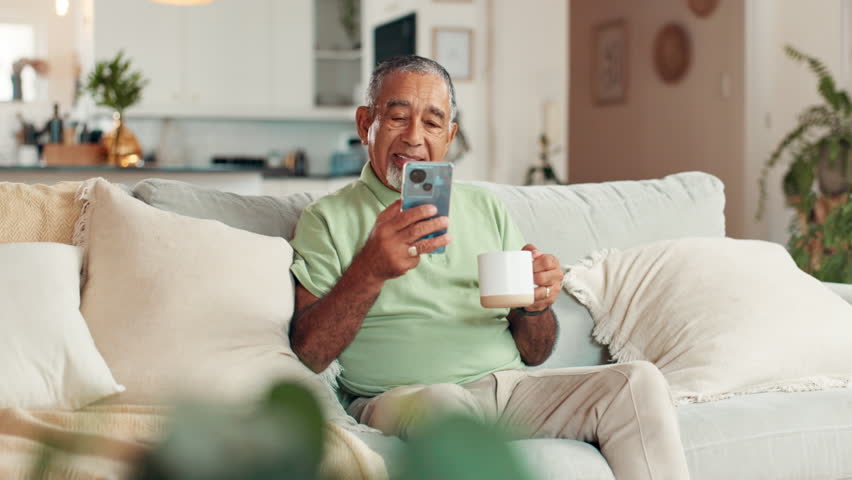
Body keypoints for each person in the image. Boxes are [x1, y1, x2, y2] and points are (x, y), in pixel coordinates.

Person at [289, 55, 690, 480]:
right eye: (398, 117)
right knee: (445, 406)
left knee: (638, 381)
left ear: (450, 135)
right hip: (406, 400)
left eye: (432, 122)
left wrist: (535, 305)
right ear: (365, 123)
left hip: (507, 390)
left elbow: (534, 352)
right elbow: (310, 352)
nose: (413, 137)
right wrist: (369, 270)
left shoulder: (485, 208)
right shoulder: (327, 218)